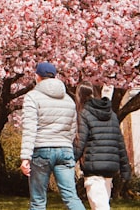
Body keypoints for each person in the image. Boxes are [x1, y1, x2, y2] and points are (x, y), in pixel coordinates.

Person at [19, 61, 86, 210]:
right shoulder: (68, 99)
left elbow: (30, 128)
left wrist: (25, 157)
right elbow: (72, 128)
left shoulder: (32, 97)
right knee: (71, 197)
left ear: (37, 77)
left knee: (38, 200)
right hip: (65, 150)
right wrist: (66, 145)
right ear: (55, 77)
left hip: (42, 150)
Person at [74, 82, 131, 210]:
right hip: (110, 169)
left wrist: (67, 161)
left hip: (94, 169)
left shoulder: (84, 114)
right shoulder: (111, 114)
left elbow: (80, 143)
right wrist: (125, 169)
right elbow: (120, 143)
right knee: (102, 205)